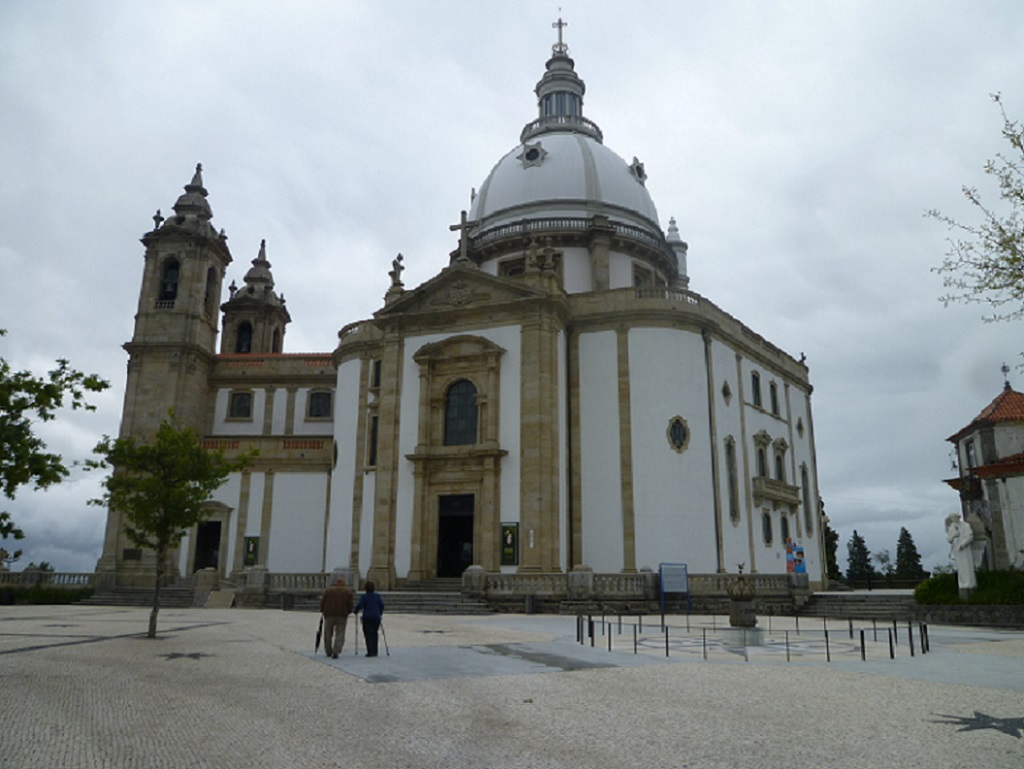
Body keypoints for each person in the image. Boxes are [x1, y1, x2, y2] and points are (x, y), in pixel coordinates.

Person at [319, 577, 354, 659]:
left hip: (329, 614)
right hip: (342, 614)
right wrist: (348, 611)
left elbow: (323, 601)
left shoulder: (329, 591)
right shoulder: (347, 592)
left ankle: (328, 651)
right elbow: (350, 604)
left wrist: (322, 610)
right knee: (340, 633)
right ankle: (336, 650)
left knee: (328, 633)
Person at [945, 512, 977, 596]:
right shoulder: (952, 527)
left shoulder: (965, 525)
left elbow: (970, 536)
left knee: (967, 566)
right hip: (957, 550)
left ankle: (970, 584)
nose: (953, 519)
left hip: (965, 549)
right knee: (960, 567)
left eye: (954, 517)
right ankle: (962, 584)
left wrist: (963, 544)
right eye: (952, 517)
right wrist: (953, 535)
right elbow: (949, 539)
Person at [355, 580, 385, 657]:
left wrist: (356, 611)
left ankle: (370, 651)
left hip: (367, 617)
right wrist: (380, 613)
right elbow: (381, 605)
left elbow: (360, 605)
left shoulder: (364, 596)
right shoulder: (377, 596)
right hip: (376, 617)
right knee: (375, 633)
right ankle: (375, 651)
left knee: (368, 634)